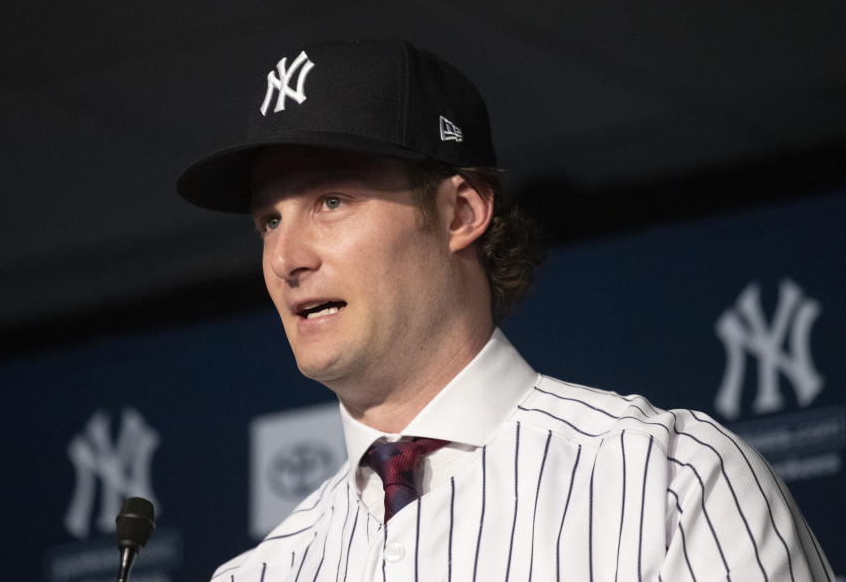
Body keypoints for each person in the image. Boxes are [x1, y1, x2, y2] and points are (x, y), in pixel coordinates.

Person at [177, 39, 832, 581]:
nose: (286, 257)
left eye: (331, 201)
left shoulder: (667, 480)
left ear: (460, 212)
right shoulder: (259, 575)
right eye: (268, 220)